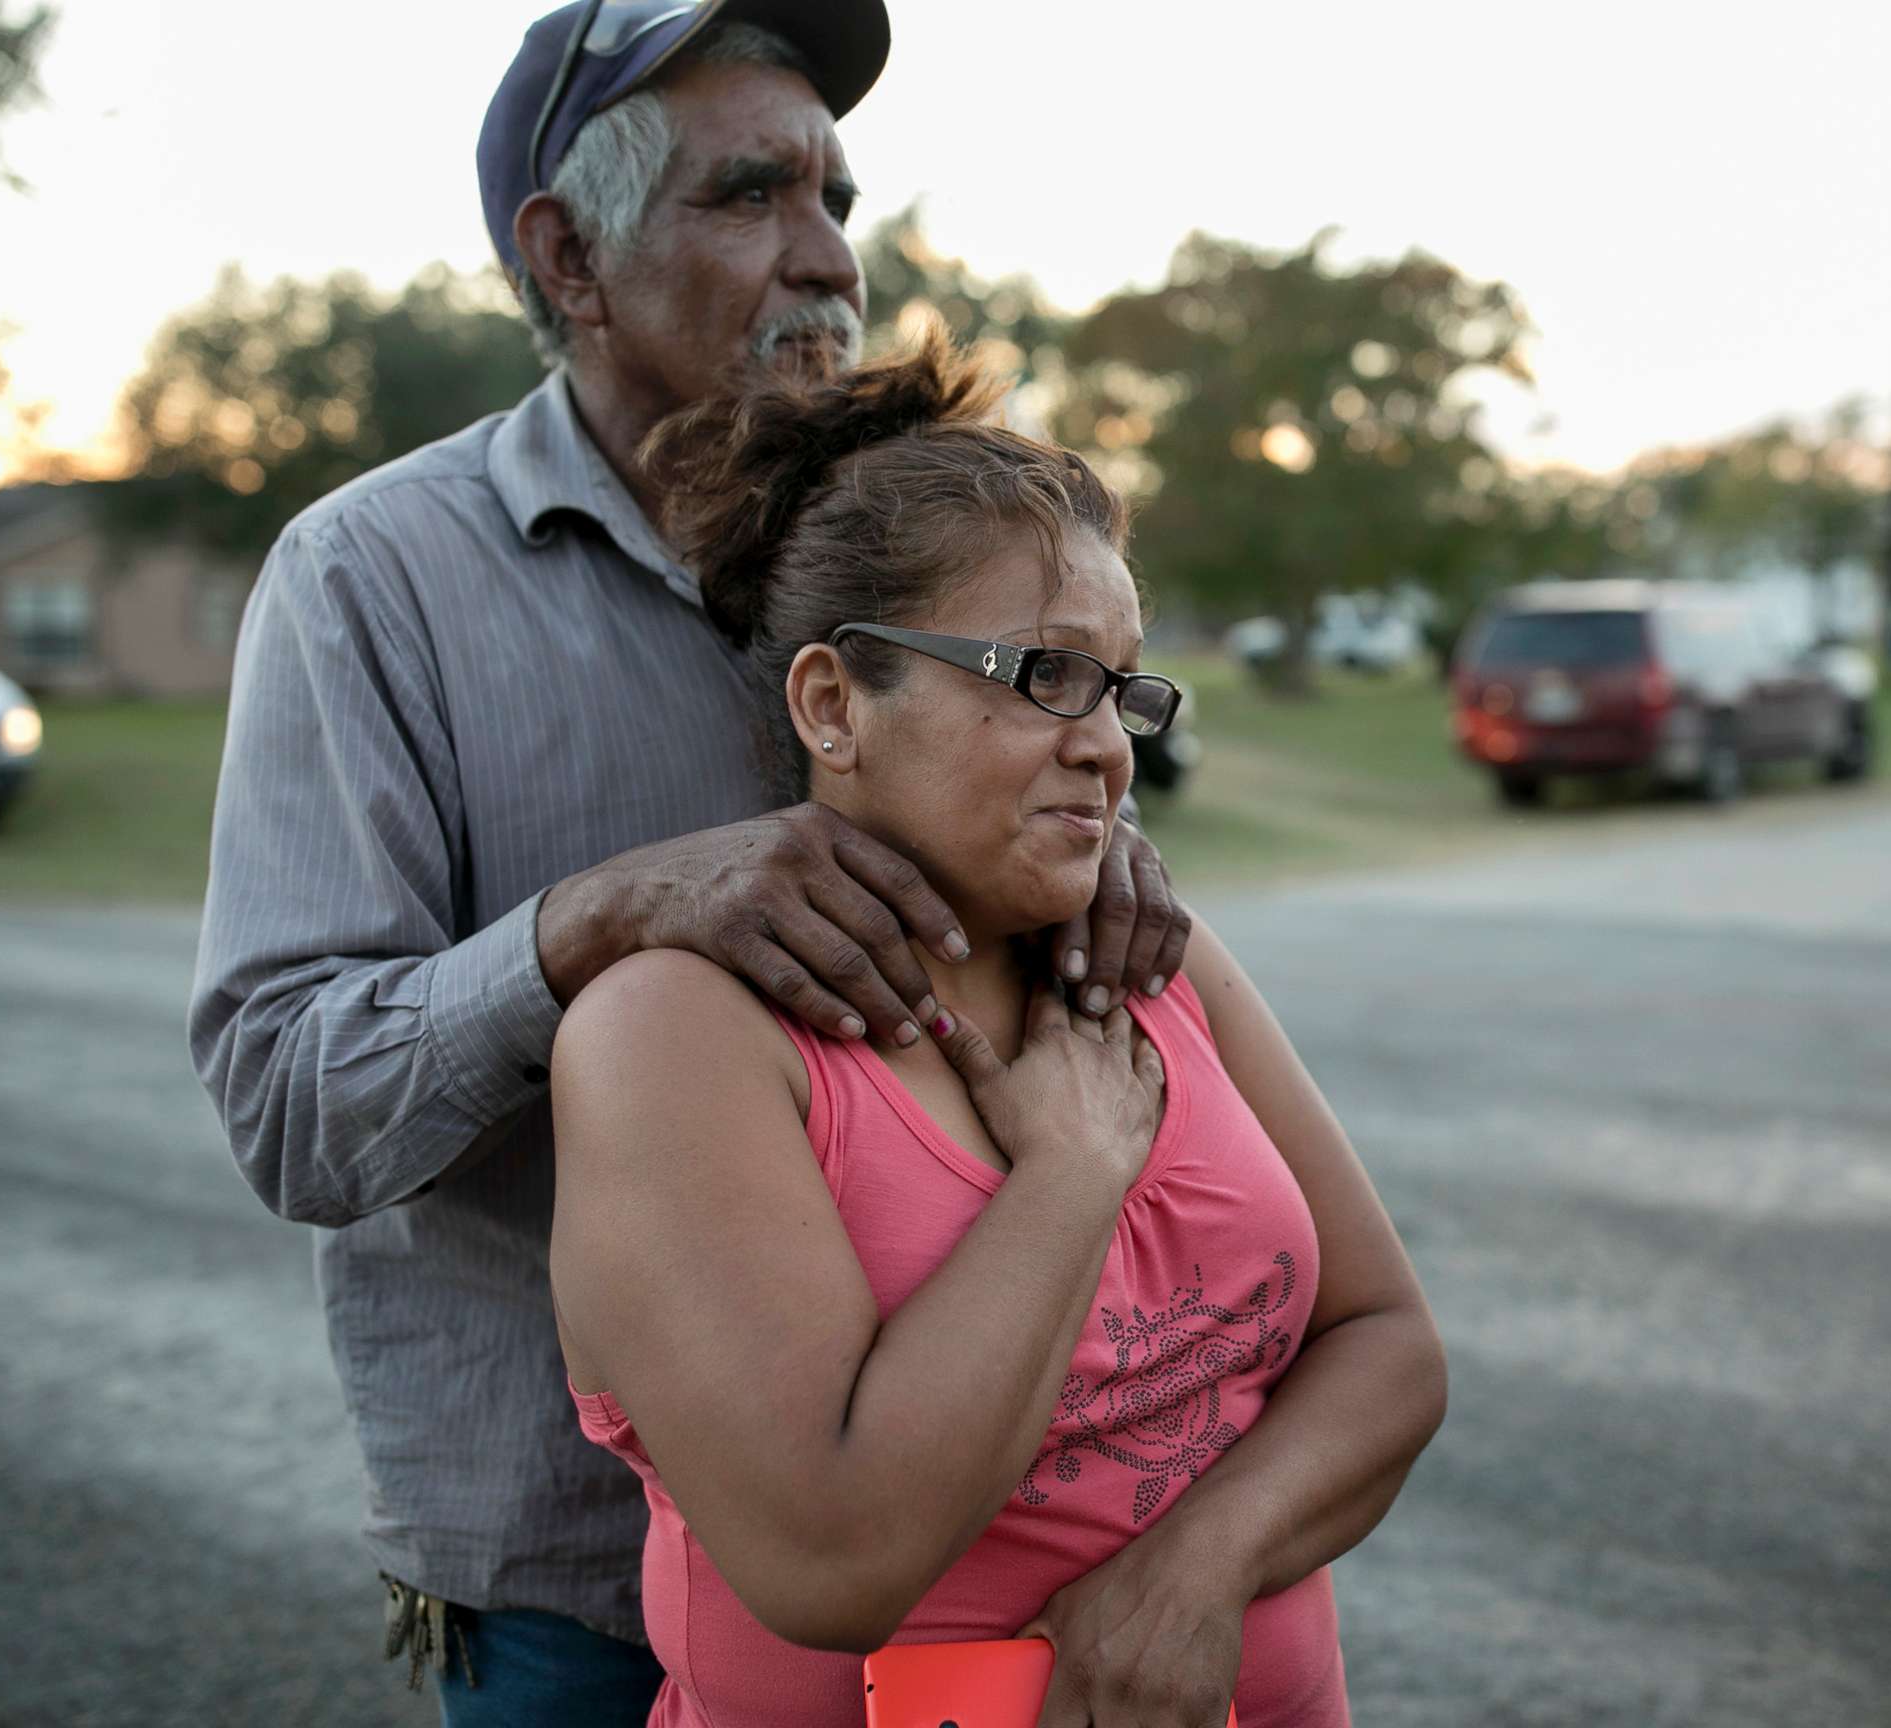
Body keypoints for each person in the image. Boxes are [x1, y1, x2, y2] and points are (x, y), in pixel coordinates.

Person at [186, 4, 1190, 1721]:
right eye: (749, 197)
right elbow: (291, 1101)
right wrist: (595, 920)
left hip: (1012, 1539)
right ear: (568, 255)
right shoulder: (370, 580)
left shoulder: (916, 548)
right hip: (582, 1595)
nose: (826, 263)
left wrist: (1098, 860)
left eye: (837, 200)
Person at [546, 335, 1447, 1728]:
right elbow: (829, 1558)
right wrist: (1071, 1176)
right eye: (1046, 676)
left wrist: (1198, 1570)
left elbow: (1388, 1346)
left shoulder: (1160, 964)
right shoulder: (678, 1036)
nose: (1107, 745)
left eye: (1127, 689)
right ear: (836, 705)